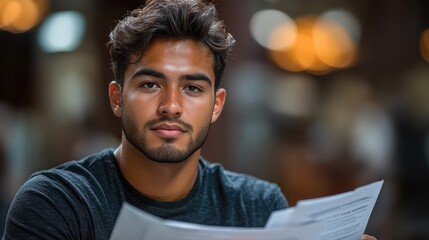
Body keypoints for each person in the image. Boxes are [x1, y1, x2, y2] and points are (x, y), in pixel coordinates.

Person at [2, 0, 377, 239]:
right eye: (150, 84)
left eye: (193, 89)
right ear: (117, 98)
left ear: (216, 105)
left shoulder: (258, 207)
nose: (171, 106)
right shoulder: (58, 203)